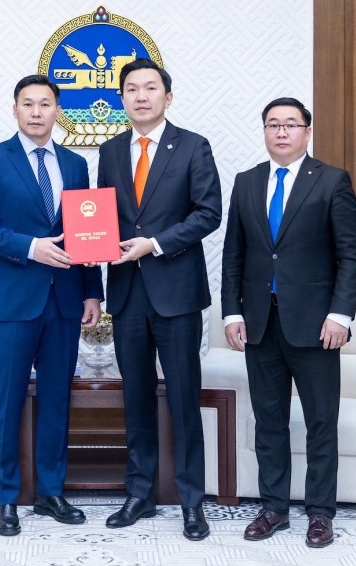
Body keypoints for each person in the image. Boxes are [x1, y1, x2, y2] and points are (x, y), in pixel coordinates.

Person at [0, 74, 103, 537]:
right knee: (8, 401)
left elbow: (87, 234)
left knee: (57, 399)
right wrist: (30, 247)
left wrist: (92, 291)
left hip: (64, 301)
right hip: (11, 303)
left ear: (58, 111)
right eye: (28, 103)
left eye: (45, 103)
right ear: (15, 110)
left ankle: (50, 492)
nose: (37, 111)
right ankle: (5, 499)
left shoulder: (75, 165)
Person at [221, 97, 356, 548]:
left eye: (290, 124)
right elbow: (233, 254)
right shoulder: (246, 182)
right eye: (273, 124)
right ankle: (274, 509)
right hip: (260, 323)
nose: (281, 132)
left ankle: (320, 513)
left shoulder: (332, 181)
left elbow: (351, 254)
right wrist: (232, 312)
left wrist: (340, 314)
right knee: (269, 422)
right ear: (264, 131)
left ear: (307, 131)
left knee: (321, 421)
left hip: (317, 324)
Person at [96, 58, 222, 541]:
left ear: (168, 97)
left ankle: (192, 502)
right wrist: (93, 244)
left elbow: (208, 212)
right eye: (132, 89)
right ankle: (140, 493)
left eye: (150, 88)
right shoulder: (110, 151)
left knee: (185, 398)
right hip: (127, 292)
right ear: (122, 99)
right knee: (136, 397)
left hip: (177, 292)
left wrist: (155, 243)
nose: (141, 96)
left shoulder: (192, 145)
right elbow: (103, 217)